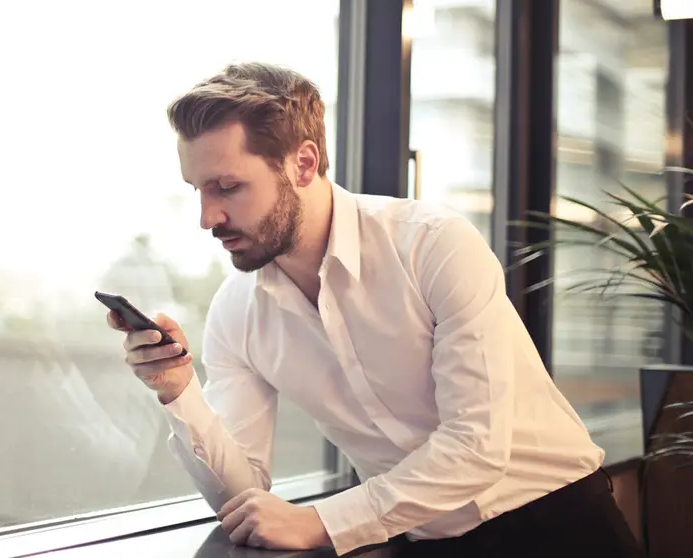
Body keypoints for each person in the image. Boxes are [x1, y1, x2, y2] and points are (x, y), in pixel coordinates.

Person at [105, 62, 643, 558]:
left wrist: (323, 521)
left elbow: (476, 446)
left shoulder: (432, 244)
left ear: (304, 163)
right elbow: (244, 501)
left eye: (228, 187)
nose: (207, 217)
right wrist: (179, 393)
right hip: (416, 541)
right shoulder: (236, 314)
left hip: (558, 524)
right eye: (198, 189)